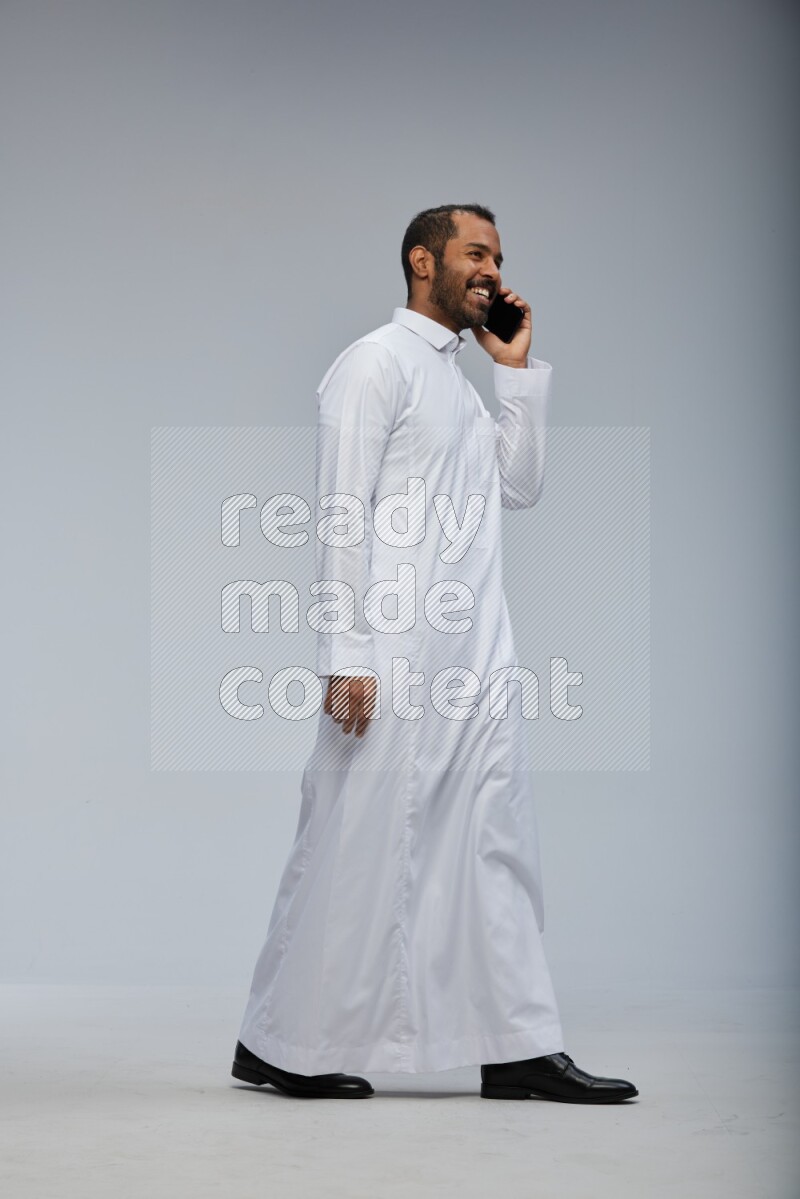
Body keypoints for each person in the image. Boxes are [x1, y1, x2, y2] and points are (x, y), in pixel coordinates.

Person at [231, 204, 638, 1103]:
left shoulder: (457, 380)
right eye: (476, 253)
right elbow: (338, 511)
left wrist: (516, 372)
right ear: (424, 261)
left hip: (475, 654)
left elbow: (520, 487)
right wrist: (346, 655)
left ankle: (518, 1044)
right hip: (394, 656)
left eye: (498, 256)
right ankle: (277, 1041)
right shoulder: (374, 366)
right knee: (349, 843)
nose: (493, 271)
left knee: (494, 839)